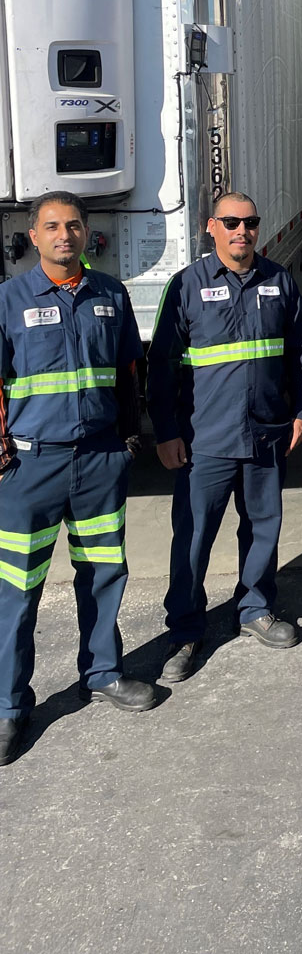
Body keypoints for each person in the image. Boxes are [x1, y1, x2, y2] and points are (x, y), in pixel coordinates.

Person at [0, 192, 153, 766]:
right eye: (52, 227)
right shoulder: (9, 300)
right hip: (29, 468)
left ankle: (104, 672)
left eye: (73, 226)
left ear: (86, 234)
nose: (64, 235)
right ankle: (9, 707)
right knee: (16, 590)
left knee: (102, 573)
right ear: (33, 237)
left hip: (97, 462)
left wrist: (126, 436)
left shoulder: (110, 295)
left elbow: (126, 372)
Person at [147, 192, 302, 682]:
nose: (242, 230)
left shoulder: (279, 280)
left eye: (250, 222)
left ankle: (256, 610)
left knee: (263, 528)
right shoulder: (186, 286)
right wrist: (165, 432)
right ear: (211, 227)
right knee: (194, 537)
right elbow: (161, 367)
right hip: (205, 439)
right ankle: (184, 629)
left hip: (266, 433)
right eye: (231, 222)